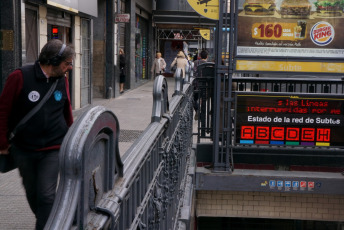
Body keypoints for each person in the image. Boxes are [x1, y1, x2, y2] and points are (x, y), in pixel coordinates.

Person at [0, 39, 74, 230]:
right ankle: (48, 221)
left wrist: (73, 137)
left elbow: (67, 111)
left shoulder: (62, 81)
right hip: (24, 149)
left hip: (53, 147)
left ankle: (47, 226)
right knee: (33, 193)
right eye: (67, 63)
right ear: (53, 61)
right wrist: (2, 144)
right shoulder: (20, 77)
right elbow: (3, 111)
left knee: (47, 194)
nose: (70, 68)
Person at [192, 50, 209, 120]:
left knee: (193, 99)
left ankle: (197, 109)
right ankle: (202, 116)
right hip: (205, 85)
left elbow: (193, 71)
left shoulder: (196, 62)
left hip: (196, 84)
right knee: (203, 100)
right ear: (207, 56)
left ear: (200, 56)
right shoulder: (208, 64)